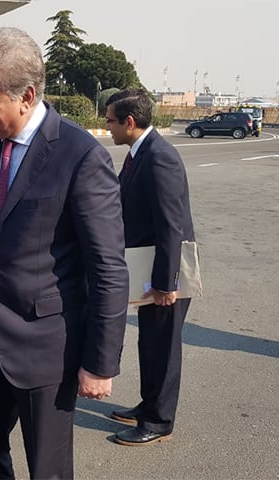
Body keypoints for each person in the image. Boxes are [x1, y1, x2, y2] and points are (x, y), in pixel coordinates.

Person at [0, 27, 129, 479]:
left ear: (27, 96)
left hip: (47, 349)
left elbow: (108, 268)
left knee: (47, 469)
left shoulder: (80, 156)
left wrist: (100, 361)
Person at [104, 88, 195, 446]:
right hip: (147, 269)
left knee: (163, 346)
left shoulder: (159, 157)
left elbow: (171, 225)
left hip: (164, 273)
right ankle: (148, 404)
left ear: (129, 122)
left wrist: (166, 283)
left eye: (110, 121)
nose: (107, 127)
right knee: (150, 342)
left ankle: (159, 421)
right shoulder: (139, 153)